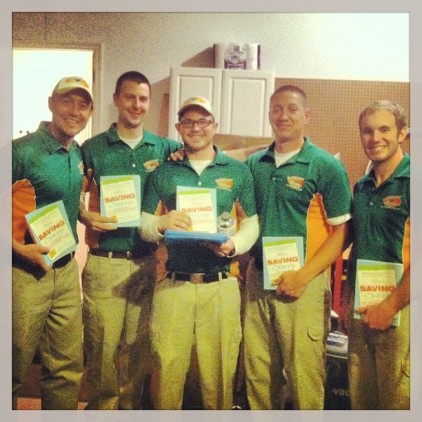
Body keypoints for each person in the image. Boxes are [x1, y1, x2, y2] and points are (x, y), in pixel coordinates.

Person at [140, 96, 259, 410]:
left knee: (218, 377)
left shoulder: (238, 171)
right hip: (173, 285)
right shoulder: (164, 172)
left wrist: (235, 244)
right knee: (166, 372)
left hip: (219, 285)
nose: (196, 128)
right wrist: (161, 223)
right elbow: (144, 223)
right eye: (189, 122)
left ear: (214, 126)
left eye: (203, 121)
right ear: (179, 128)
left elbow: (251, 222)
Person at [243, 85, 353, 410]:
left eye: (291, 109)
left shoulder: (325, 166)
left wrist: (303, 276)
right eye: (276, 109)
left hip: (304, 287)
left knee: (305, 379)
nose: (283, 116)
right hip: (258, 282)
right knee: (259, 377)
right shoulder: (254, 164)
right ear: (269, 116)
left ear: (307, 116)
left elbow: (342, 233)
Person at [79, 70, 182, 410]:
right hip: (104, 265)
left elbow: (207, 154)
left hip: (146, 263)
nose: (136, 105)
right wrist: (85, 216)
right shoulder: (91, 149)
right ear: (116, 100)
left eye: (142, 98)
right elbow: (71, 197)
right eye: (129, 97)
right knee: (102, 355)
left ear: (149, 103)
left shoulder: (166, 147)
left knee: (137, 354)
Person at [12, 76, 93, 409]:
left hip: (65, 269)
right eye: (67, 101)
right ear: (51, 103)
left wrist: (86, 217)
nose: (75, 111)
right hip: (23, 273)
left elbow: (62, 198)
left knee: (66, 368)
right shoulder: (22, 151)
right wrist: (18, 249)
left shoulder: (76, 152)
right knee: (12, 366)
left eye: (83, 104)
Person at [339, 100, 410, 409]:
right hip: (362, 307)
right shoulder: (362, 186)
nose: (374, 138)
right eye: (367, 131)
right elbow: (356, 245)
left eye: (384, 129)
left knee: (398, 399)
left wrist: (390, 306)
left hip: (402, 309)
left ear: (403, 134)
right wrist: (345, 298)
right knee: (362, 397)